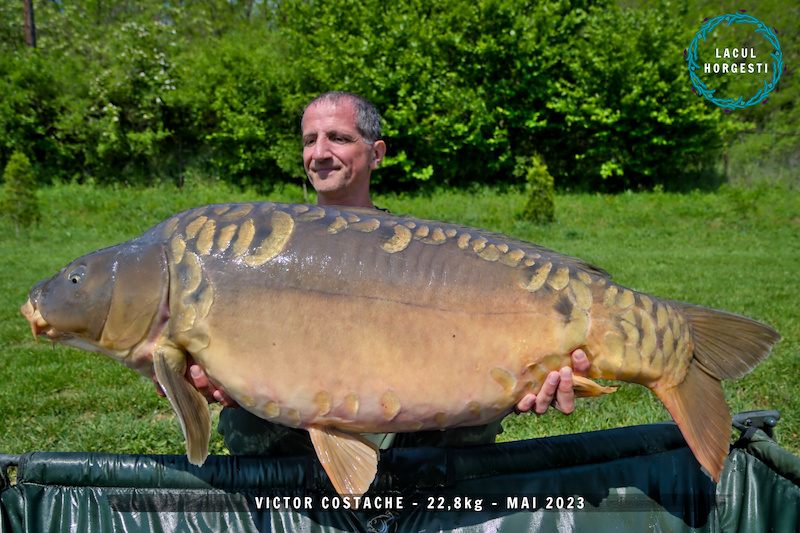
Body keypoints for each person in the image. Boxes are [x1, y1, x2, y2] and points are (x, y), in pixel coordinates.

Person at [156, 91, 591, 453]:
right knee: (247, 425)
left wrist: (526, 375)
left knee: (468, 430)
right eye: (310, 140)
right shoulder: (263, 246)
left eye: (338, 138)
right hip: (298, 438)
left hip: (415, 434)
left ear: (376, 153)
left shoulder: (420, 251)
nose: (320, 153)